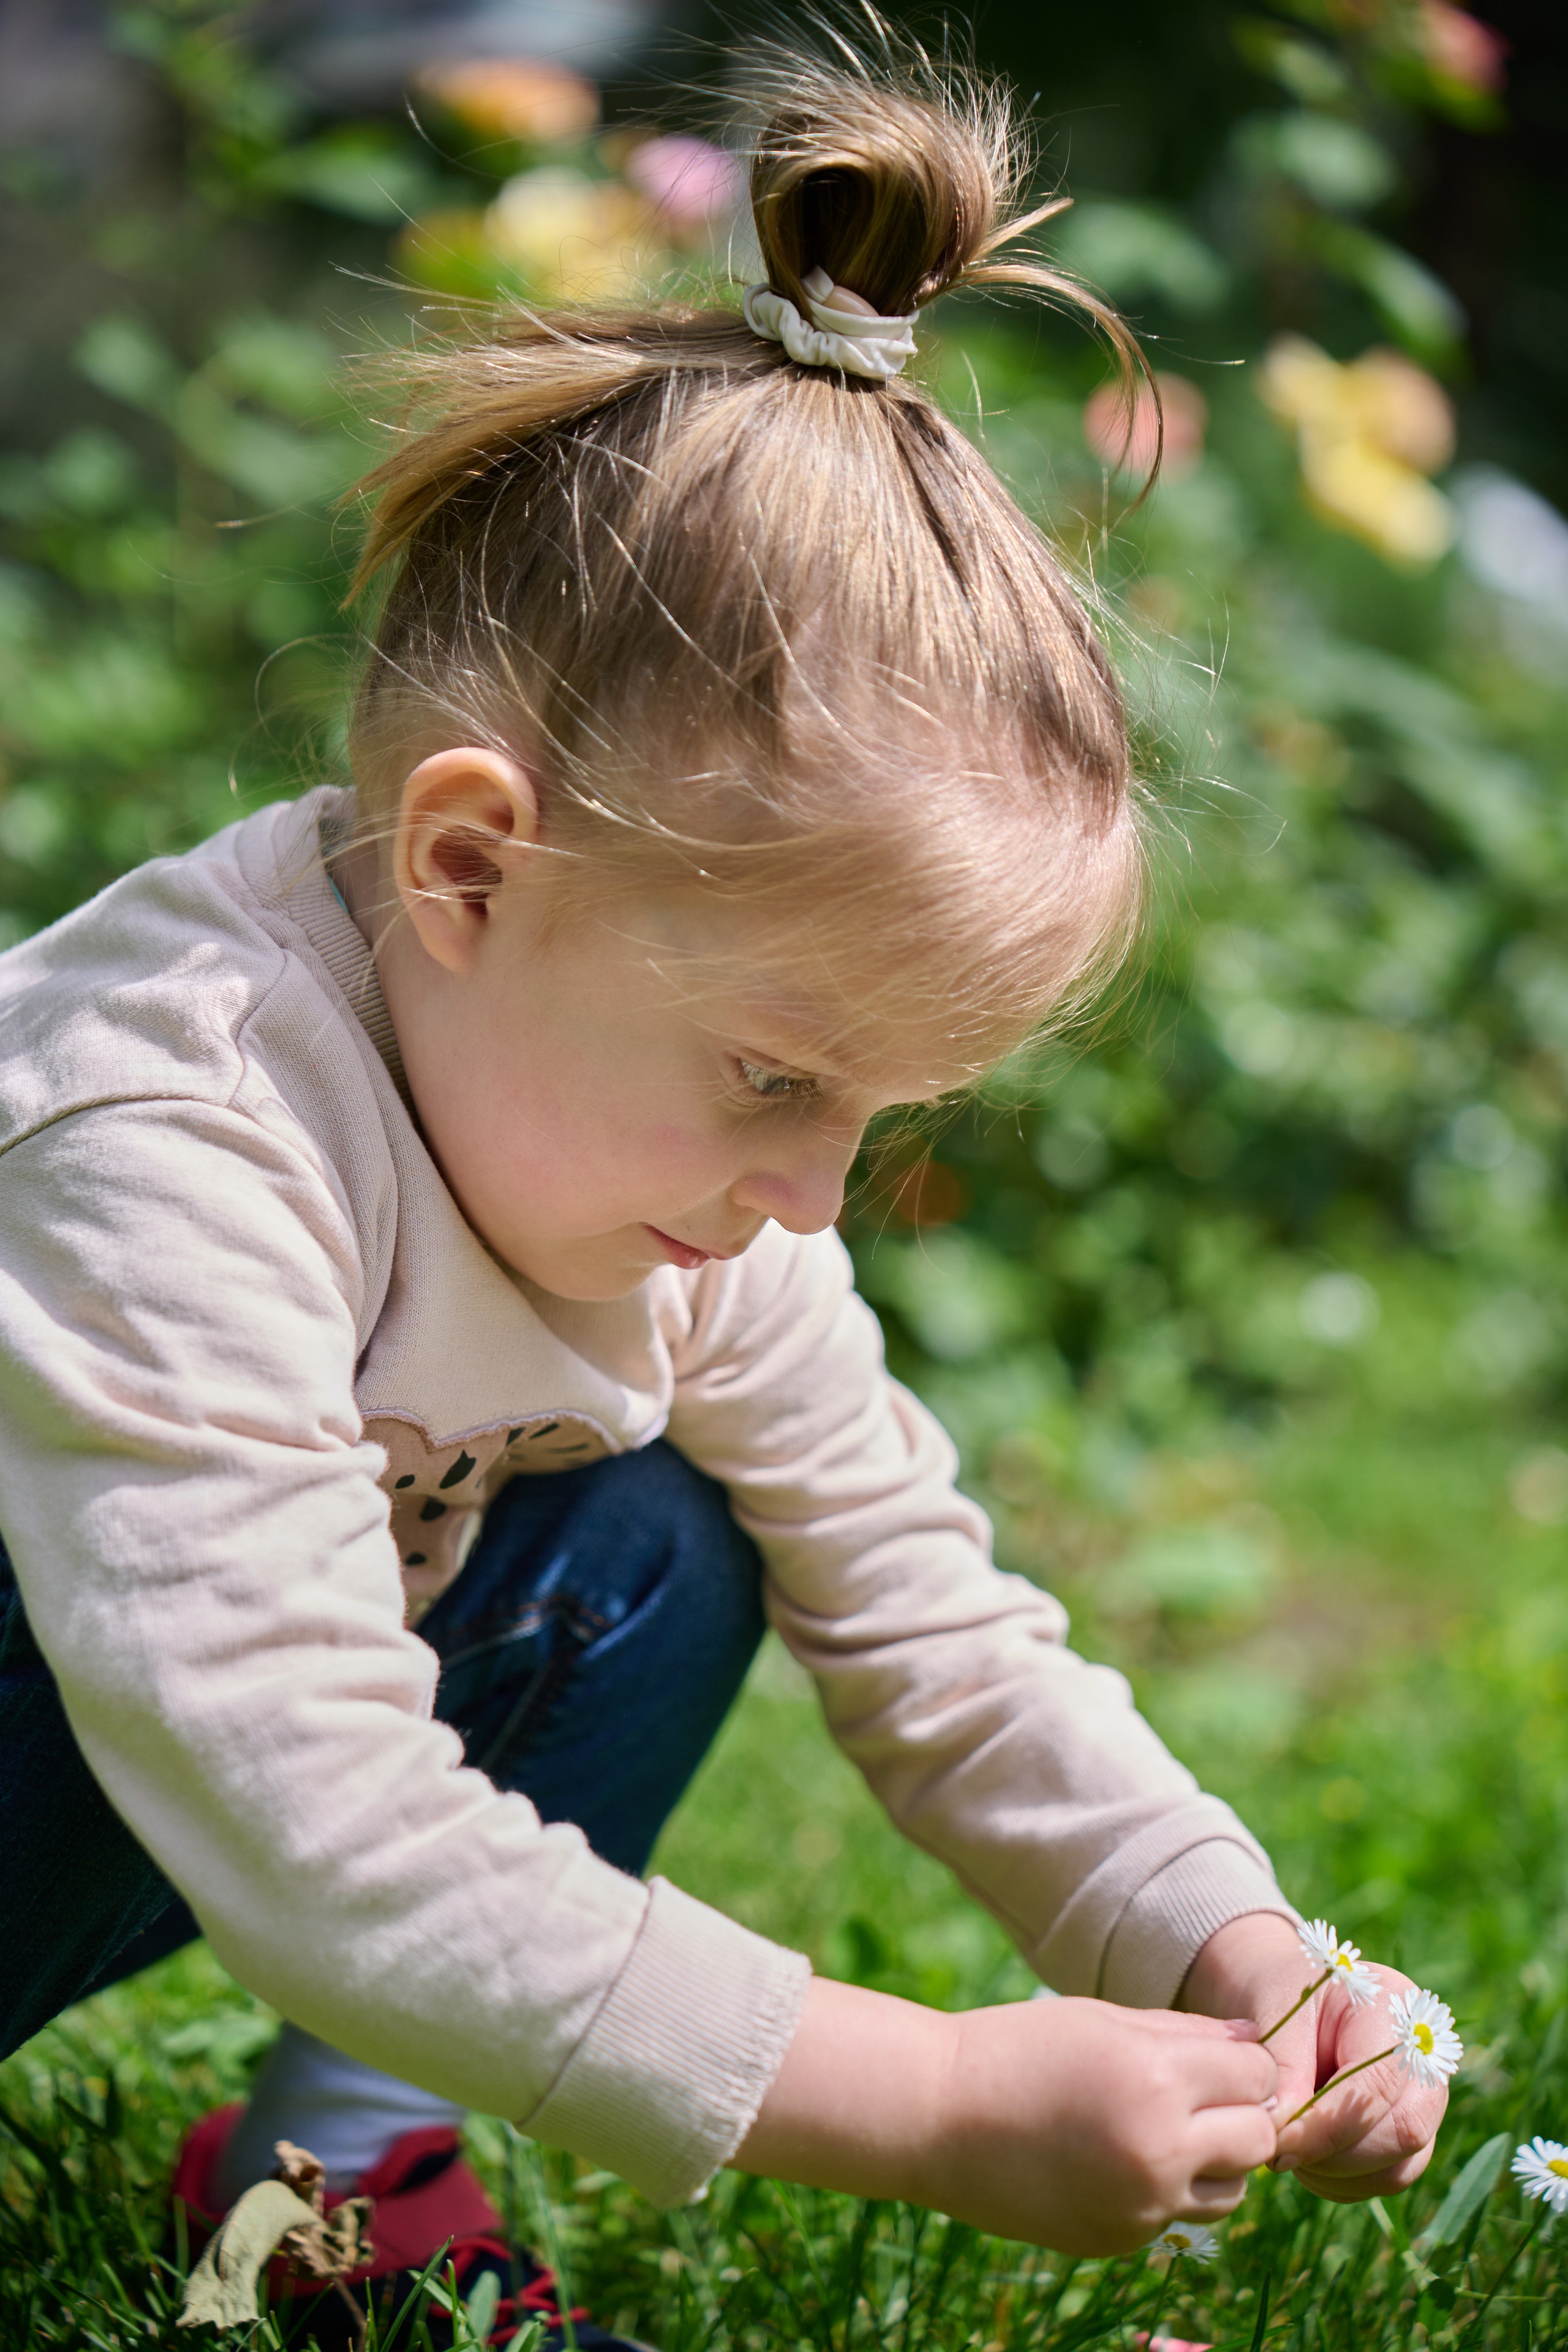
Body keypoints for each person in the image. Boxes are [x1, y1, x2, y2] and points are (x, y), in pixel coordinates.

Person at [0, 34, 1444, 2348]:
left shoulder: (669, 1189)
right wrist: (929, 2098)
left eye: (878, 1113)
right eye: (779, 1075)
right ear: (472, 868)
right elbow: (310, 1818)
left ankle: (337, 2185)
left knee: (663, 1543)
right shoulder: (167, 1135)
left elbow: (930, 1617)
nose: (812, 1195)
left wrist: (1230, 1944)